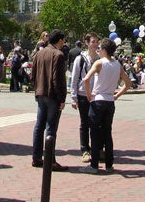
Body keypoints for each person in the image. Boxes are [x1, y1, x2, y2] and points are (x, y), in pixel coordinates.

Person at [79, 38, 132, 174]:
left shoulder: (99, 63)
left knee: (95, 133)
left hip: (98, 100)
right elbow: (128, 83)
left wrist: (89, 94)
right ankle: (109, 164)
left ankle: (94, 165)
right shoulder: (117, 64)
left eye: (100, 48)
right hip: (109, 101)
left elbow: (86, 79)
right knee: (107, 133)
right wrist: (116, 95)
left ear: (104, 50)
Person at [31, 29, 69, 172]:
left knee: (39, 126)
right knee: (51, 128)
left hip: (40, 94)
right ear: (59, 40)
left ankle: (36, 157)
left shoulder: (39, 53)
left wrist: (36, 89)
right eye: (63, 40)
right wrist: (62, 98)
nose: (64, 43)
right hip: (52, 95)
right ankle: (50, 160)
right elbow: (57, 79)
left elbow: (32, 75)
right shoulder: (58, 55)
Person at [70, 32, 100, 163]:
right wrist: (73, 97)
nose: (95, 44)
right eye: (93, 42)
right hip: (83, 94)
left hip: (96, 95)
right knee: (84, 123)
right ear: (87, 43)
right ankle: (85, 149)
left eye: (96, 42)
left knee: (96, 123)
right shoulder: (80, 59)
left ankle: (96, 148)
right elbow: (75, 78)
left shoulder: (100, 59)